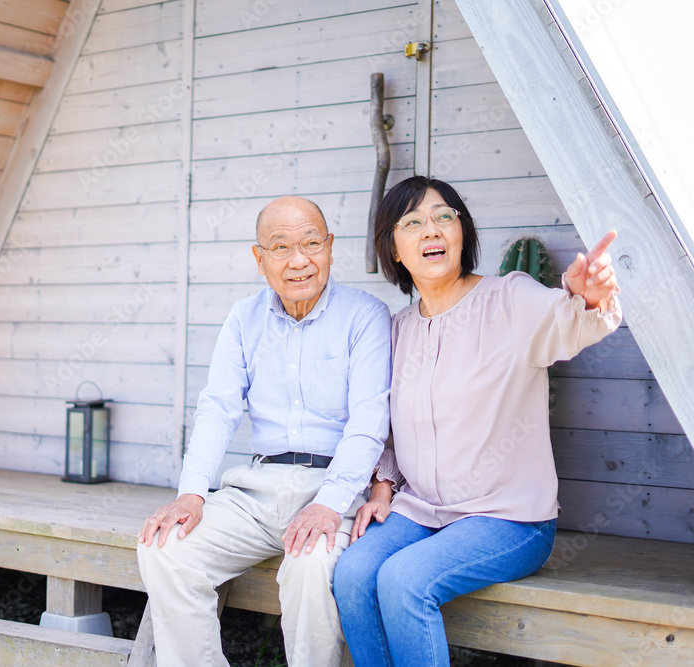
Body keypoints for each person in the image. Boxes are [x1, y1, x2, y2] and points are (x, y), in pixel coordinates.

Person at [332, 176, 622, 666]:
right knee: (354, 573)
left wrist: (585, 299)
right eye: (414, 222)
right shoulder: (396, 331)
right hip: (422, 510)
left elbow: (565, 323)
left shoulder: (509, 299)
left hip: (508, 518)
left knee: (404, 581)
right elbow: (381, 421)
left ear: (462, 233)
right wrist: (383, 484)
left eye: (445, 217)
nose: (433, 230)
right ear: (394, 250)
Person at [136, 196, 393, 667]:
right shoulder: (243, 318)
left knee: (311, 567)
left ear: (331, 247)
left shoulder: (365, 316)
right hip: (256, 489)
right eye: (281, 247)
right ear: (260, 258)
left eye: (312, 243)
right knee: (165, 547)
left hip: (334, 486)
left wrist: (328, 504)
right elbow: (217, 409)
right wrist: (191, 494)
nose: (299, 261)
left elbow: (369, 424)